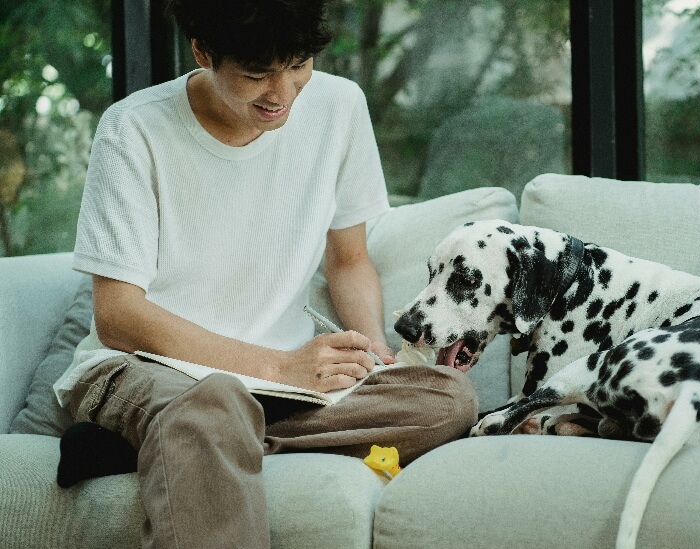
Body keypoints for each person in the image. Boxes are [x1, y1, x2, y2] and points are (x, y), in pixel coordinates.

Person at [51, 0, 478, 547]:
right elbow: (118, 315)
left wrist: (372, 351)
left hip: (279, 389)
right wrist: (278, 366)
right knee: (214, 402)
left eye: (298, 66)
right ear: (203, 52)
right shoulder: (133, 129)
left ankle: (173, 444)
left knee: (447, 398)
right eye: (256, 75)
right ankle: (195, 430)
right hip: (146, 368)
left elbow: (347, 260)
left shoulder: (339, 106)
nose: (281, 94)